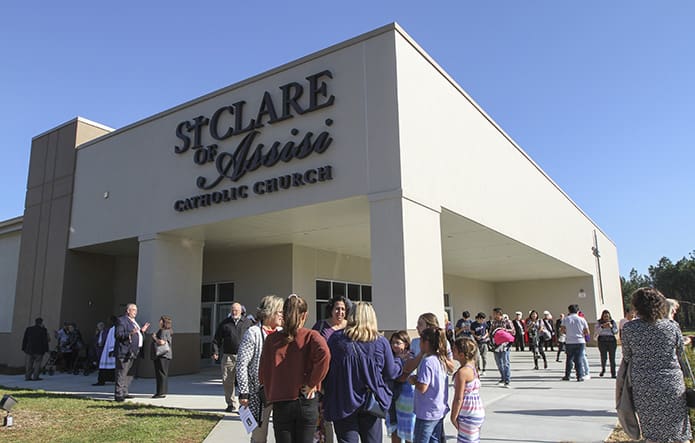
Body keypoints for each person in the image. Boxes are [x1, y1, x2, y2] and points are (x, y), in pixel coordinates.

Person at [324, 302, 402, 443]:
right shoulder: (381, 342)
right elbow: (391, 373)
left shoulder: (336, 339)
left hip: (344, 400)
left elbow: (327, 369)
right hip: (371, 401)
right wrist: (399, 362)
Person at [621, 287, 691, 443]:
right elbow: (679, 352)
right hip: (671, 383)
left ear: (637, 306)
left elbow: (627, 356)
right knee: (678, 430)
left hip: (644, 385)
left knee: (652, 431)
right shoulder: (672, 326)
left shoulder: (629, 328)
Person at [259, 294, 330, 443]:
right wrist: (312, 383)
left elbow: (263, 371)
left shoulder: (272, 339)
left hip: (281, 400)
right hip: (305, 399)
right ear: (305, 315)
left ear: (283, 314)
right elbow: (325, 355)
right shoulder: (312, 336)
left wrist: (271, 389)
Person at [237, 295, 284, 443]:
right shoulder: (254, 333)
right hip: (259, 394)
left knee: (283, 434)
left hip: (281, 393)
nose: (283, 315)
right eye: (280, 312)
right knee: (259, 435)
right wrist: (244, 392)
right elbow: (242, 364)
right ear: (270, 312)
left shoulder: (282, 333)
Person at [312, 295, 350, 443]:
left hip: (344, 377)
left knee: (342, 415)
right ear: (331, 310)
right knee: (323, 415)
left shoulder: (351, 327)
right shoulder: (321, 326)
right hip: (324, 377)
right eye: (337, 309)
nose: (340, 312)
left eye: (343, 309)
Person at [408, 327, 449, 443]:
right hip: (438, 410)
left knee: (421, 439)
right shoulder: (440, 359)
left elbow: (423, 387)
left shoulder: (427, 361)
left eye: (420, 341)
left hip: (426, 412)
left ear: (426, 343)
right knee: (434, 439)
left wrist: (414, 380)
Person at [212, 301, 253, 413]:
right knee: (227, 381)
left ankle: (244, 404)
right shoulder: (225, 323)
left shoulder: (248, 323)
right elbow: (217, 339)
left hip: (244, 356)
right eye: (232, 310)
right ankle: (230, 404)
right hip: (228, 356)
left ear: (241, 311)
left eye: (236, 310)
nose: (234, 312)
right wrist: (215, 351)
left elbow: (254, 338)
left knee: (244, 381)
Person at [450, 337, 485, 443]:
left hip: (468, 413)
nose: (452, 351)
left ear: (462, 354)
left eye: (454, 350)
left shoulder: (463, 372)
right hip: (477, 410)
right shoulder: (473, 366)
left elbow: (458, 398)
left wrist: (453, 416)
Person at [114, 303, 150, 402]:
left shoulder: (134, 322)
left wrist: (141, 331)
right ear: (128, 310)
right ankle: (118, 394)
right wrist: (130, 333)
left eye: (136, 310)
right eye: (133, 310)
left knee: (131, 373)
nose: (135, 312)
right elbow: (118, 335)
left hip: (134, 351)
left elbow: (136, 334)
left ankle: (125, 391)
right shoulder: (122, 320)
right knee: (122, 372)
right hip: (125, 351)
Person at [386, 331, 416, 443]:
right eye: (393, 342)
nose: (394, 345)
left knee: (409, 431)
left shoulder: (410, 357)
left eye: (398, 343)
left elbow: (407, 377)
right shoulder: (390, 357)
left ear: (406, 344)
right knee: (394, 428)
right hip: (393, 398)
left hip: (407, 400)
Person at [560, 304, 589, 382]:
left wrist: (568, 333)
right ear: (578, 311)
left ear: (569, 311)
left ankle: (567, 375)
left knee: (569, 358)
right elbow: (587, 332)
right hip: (580, 341)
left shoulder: (566, 319)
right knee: (578, 359)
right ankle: (579, 376)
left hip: (569, 341)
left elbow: (562, 330)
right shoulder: (582, 319)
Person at [490, 308, 515, 387]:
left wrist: (505, 330)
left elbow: (513, 331)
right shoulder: (494, 322)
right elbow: (491, 332)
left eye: (494, 313)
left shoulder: (507, 321)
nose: (493, 315)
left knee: (505, 362)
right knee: (498, 363)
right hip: (496, 345)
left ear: (498, 313)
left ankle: (507, 380)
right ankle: (502, 377)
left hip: (505, 345)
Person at [151, 315, 173, 398]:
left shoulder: (163, 331)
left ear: (164, 322)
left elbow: (162, 342)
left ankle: (160, 392)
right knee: (164, 373)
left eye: (160, 320)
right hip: (166, 355)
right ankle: (163, 391)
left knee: (160, 374)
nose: (159, 322)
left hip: (162, 355)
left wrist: (154, 338)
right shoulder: (168, 331)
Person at [93, 316, 117, 386]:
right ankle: (102, 380)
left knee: (109, 365)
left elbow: (112, 340)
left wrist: (111, 350)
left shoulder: (114, 329)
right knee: (104, 365)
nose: (108, 322)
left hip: (109, 350)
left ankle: (105, 380)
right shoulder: (111, 329)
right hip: (105, 350)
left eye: (109, 321)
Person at [594, 310, 618, 378]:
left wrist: (611, 327)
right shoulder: (599, 322)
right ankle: (603, 369)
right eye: (605, 316)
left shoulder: (612, 322)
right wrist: (602, 326)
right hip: (602, 340)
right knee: (604, 357)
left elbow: (616, 331)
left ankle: (613, 373)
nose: (606, 318)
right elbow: (596, 331)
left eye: (607, 316)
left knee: (612, 358)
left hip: (611, 340)